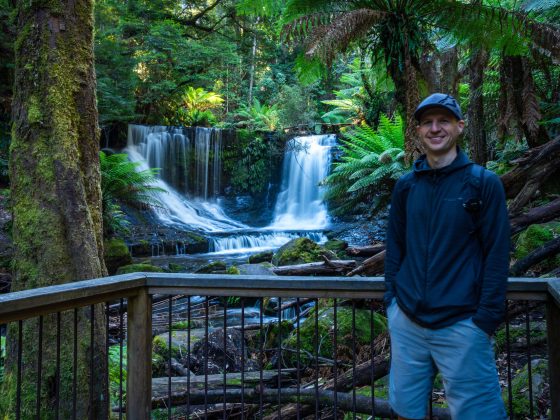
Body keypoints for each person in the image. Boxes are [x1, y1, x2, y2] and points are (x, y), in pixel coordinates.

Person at [384, 93, 510, 420]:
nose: (435, 128)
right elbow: (396, 247)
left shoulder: (483, 184)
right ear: (418, 132)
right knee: (406, 411)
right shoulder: (406, 187)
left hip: (463, 324)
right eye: (427, 122)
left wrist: (485, 319)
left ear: (459, 127)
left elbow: (497, 253)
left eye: (443, 121)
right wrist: (392, 302)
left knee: (479, 414)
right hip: (408, 321)